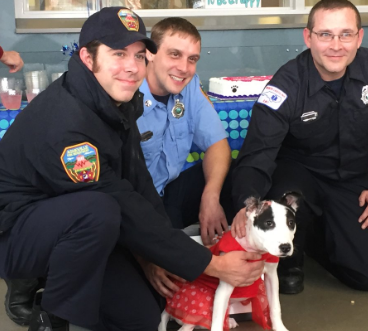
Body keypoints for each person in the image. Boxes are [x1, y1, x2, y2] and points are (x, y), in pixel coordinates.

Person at [0, 7, 264, 331]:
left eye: (139, 56)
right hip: (15, 233)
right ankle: (53, 318)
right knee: (100, 210)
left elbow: (137, 179)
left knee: (144, 314)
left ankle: (72, 295)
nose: (132, 67)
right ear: (87, 57)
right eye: (119, 54)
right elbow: (120, 203)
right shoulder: (68, 125)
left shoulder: (116, 101)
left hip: (77, 221)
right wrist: (212, 265)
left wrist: (157, 257)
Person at [231, 0, 368, 294]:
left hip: (355, 181)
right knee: (286, 192)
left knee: (364, 275)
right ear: (308, 38)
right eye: (325, 35)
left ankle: (320, 238)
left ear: (359, 37)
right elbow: (257, 154)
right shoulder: (287, 84)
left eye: (346, 34)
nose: (336, 45)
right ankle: (293, 257)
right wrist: (247, 203)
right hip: (301, 177)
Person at [137, 17, 234, 247]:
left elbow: (218, 144)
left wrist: (210, 197)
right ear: (150, 53)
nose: (184, 68)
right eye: (174, 54)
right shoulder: (127, 91)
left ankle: (233, 246)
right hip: (136, 202)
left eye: (192, 59)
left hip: (168, 190)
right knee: (169, 261)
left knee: (241, 174)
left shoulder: (189, 86)